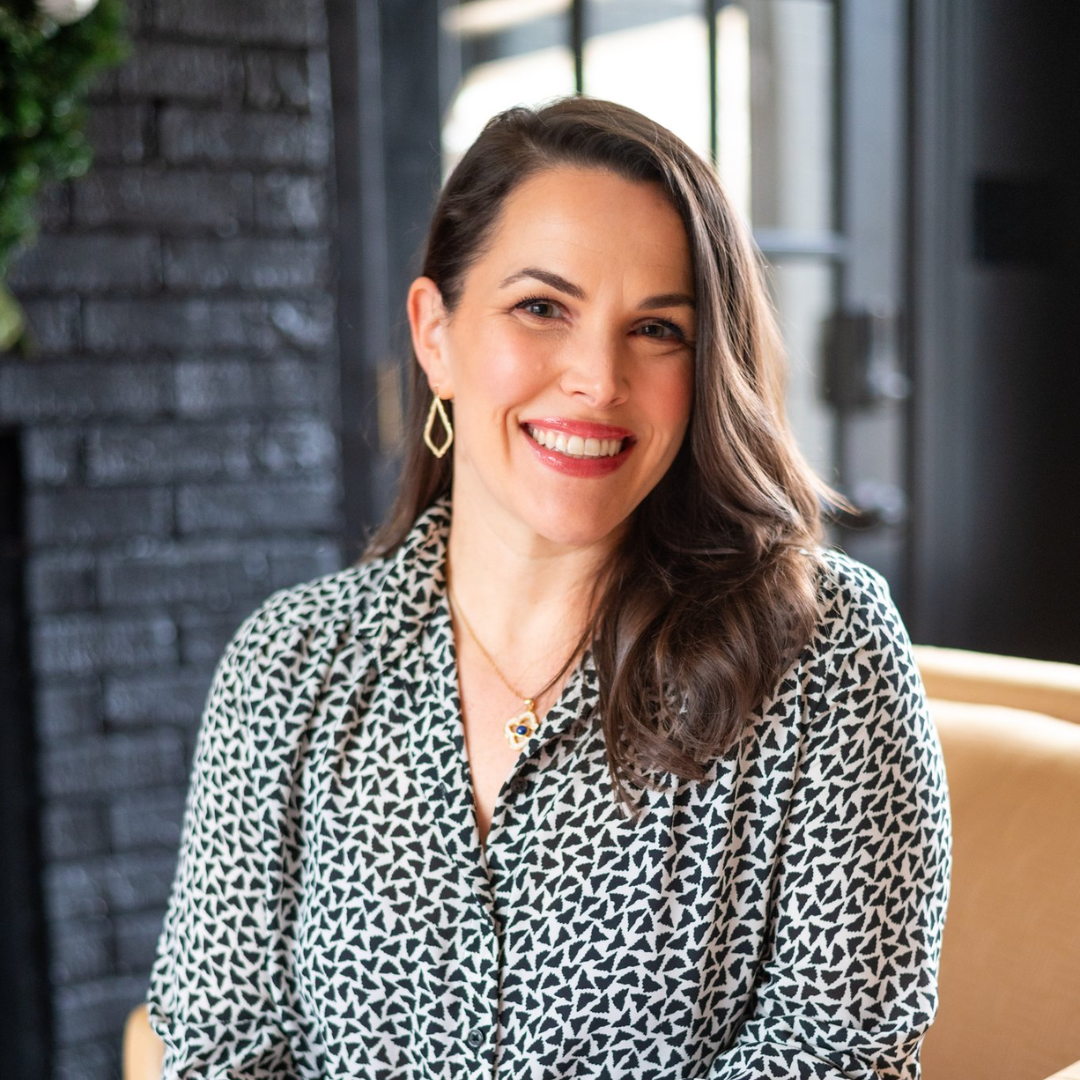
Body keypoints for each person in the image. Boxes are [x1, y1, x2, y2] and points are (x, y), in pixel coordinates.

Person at [146, 97, 951, 1080]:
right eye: (542, 308)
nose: (598, 379)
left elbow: (838, 1058)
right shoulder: (290, 663)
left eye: (657, 328)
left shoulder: (824, 647)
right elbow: (221, 1047)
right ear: (435, 333)